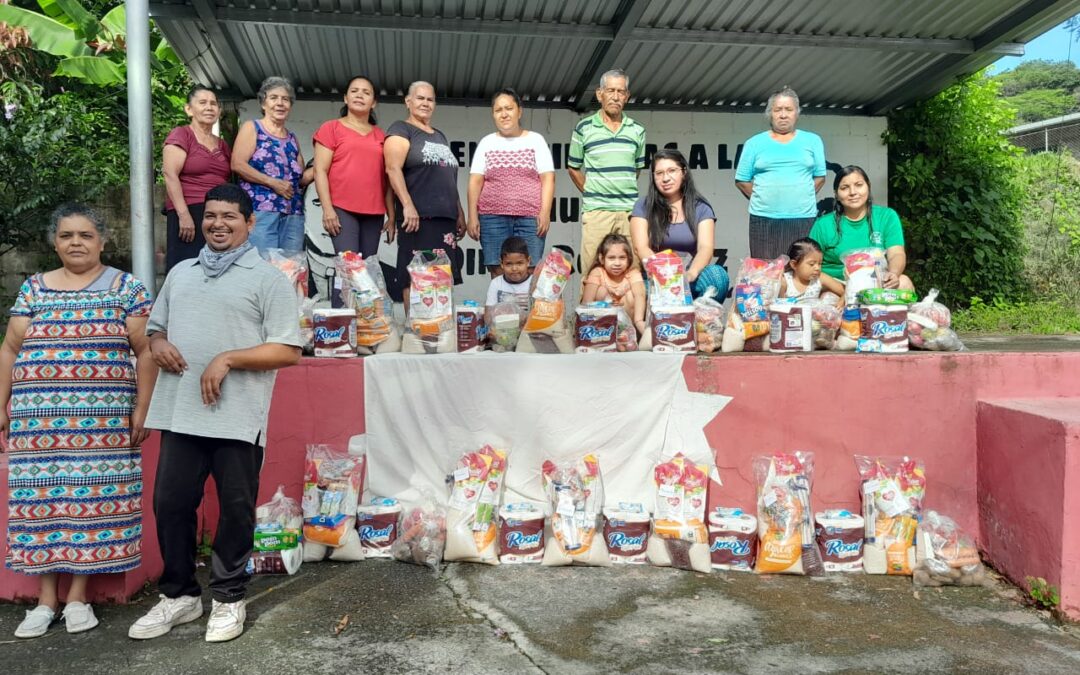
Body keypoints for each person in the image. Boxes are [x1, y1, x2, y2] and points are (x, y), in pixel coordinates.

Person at [128, 184, 302, 644]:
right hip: (180, 413)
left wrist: (228, 358)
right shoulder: (182, 273)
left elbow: (287, 349)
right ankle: (181, 596)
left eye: (229, 216)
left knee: (235, 511)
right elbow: (154, 332)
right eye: (210, 216)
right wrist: (159, 344)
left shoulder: (268, 280)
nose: (218, 224)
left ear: (248, 224)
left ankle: (228, 598)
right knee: (171, 506)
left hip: (237, 418)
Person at [1, 204, 155, 639]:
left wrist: (142, 409)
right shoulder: (34, 289)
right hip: (38, 425)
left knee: (90, 506)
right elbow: (10, 349)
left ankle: (77, 598)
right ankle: (45, 600)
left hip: (102, 425)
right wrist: (1, 405)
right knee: (41, 507)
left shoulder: (127, 288)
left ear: (103, 241)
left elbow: (145, 350)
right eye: (67, 235)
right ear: (55, 242)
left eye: (85, 235)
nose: (76, 243)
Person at [312, 75, 394, 292]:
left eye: (366, 92)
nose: (360, 95)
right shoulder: (331, 128)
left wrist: (392, 215)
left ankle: (364, 324)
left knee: (366, 272)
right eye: (355, 91)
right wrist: (327, 209)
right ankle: (342, 322)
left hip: (374, 213)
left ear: (374, 102)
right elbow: (320, 170)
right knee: (349, 268)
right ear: (346, 98)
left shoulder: (381, 136)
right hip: (341, 209)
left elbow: (387, 178)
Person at [384, 81, 465, 302]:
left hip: (445, 219)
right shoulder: (401, 129)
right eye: (420, 98)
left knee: (441, 276)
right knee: (414, 276)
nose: (425, 103)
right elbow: (392, 169)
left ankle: (438, 328)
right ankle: (415, 331)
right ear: (408, 102)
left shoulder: (440, 135)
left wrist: (459, 212)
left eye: (430, 99)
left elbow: (447, 176)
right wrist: (408, 205)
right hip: (417, 219)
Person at [467, 88, 555, 275]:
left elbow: (548, 178)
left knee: (530, 270)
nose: (504, 114)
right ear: (493, 114)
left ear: (519, 111)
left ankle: (526, 306)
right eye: (498, 110)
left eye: (509, 108)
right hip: (492, 218)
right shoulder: (487, 142)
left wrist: (545, 212)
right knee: (498, 269)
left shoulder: (535, 140)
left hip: (530, 218)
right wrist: (472, 216)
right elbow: (475, 182)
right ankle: (501, 307)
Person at [567, 68, 647, 272]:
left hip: (629, 211)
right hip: (596, 212)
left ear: (627, 96)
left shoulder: (637, 130)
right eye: (610, 90)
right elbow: (573, 168)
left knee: (632, 274)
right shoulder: (583, 128)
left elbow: (636, 169)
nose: (615, 96)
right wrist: (593, 191)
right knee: (592, 273)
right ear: (599, 94)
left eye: (621, 92)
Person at [734, 87, 827, 259]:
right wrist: (762, 197)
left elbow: (820, 177)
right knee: (764, 271)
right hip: (763, 218)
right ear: (770, 113)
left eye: (788, 109)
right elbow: (742, 180)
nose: (783, 115)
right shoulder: (754, 143)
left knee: (801, 269)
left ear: (797, 113)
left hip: (803, 217)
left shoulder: (813, 141)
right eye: (778, 110)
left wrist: (801, 194)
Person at [629, 149, 730, 300]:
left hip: (690, 278)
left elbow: (706, 248)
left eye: (672, 171)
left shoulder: (701, 207)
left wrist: (689, 275)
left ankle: (702, 320)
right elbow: (641, 247)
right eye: (659, 173)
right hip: (655, 277)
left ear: (684, 172)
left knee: (717, 275)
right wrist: (665, 275)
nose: (665, 178)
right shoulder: (643, 205)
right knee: (630, 287)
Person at [232, 76, 309, 252]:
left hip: (293, 214)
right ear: (263, 103)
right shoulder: (253, 128)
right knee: (262, 266)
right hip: (261, 212)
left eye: (285, 99)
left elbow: (300, 179)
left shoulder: (292, 138)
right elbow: (237, 165)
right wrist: (273, 183)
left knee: (291, 269)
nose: (280, 103)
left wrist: (325, 163)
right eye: (274, 98)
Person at [808, 165, 914, 290]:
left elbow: (896, 253)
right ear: (836, 194)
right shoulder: (823, 224)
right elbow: (808, 263)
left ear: (868, 186)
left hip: (877, 283)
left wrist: (894, 274)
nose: (853, 192)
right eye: (845, 188)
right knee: (828, 298)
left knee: (904, 282)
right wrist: (840, 290)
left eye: (859, 185)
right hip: (836, 287)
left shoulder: (886, 216)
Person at [162, 85, 232, 271]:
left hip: (217, 213)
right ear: (188, 109)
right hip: (189, 210)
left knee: (217, 268)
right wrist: (184, 215)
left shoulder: (222, 144)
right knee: (186, 268)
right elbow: (170, 175)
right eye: (202, 103)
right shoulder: (182, 134)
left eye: (213, 104)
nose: (209, 107)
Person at [582, 233, 647, 336]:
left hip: (628, 322)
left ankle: (629, 333)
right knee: (601, 291)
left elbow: (640, 295)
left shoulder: (632, 273)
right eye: (611, 258)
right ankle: (603, 333)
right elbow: (586, 302)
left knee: (631, 295)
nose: (617, 263)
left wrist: (638, 321)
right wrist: (606, 305)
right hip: (602, 322)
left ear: (629, 259)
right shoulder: (598, 272)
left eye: (622, 258)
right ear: (602, 259)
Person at [778, 237, 845, 302]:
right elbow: (777, 304)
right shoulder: (785, 281)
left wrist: (841, 301)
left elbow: (845, 291)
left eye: (820, 263)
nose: (817, 268)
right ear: (794, 264)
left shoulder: (819, 278)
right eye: (812, 264)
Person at [484, 236, 532, 324]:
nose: (514, 268)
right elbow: (488, 318)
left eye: (519, 263)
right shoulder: (496, 284)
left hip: (527, 331)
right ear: (501, 263)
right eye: (509, 264)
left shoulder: (534, 283)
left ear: (528, 261)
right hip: (502, 332)